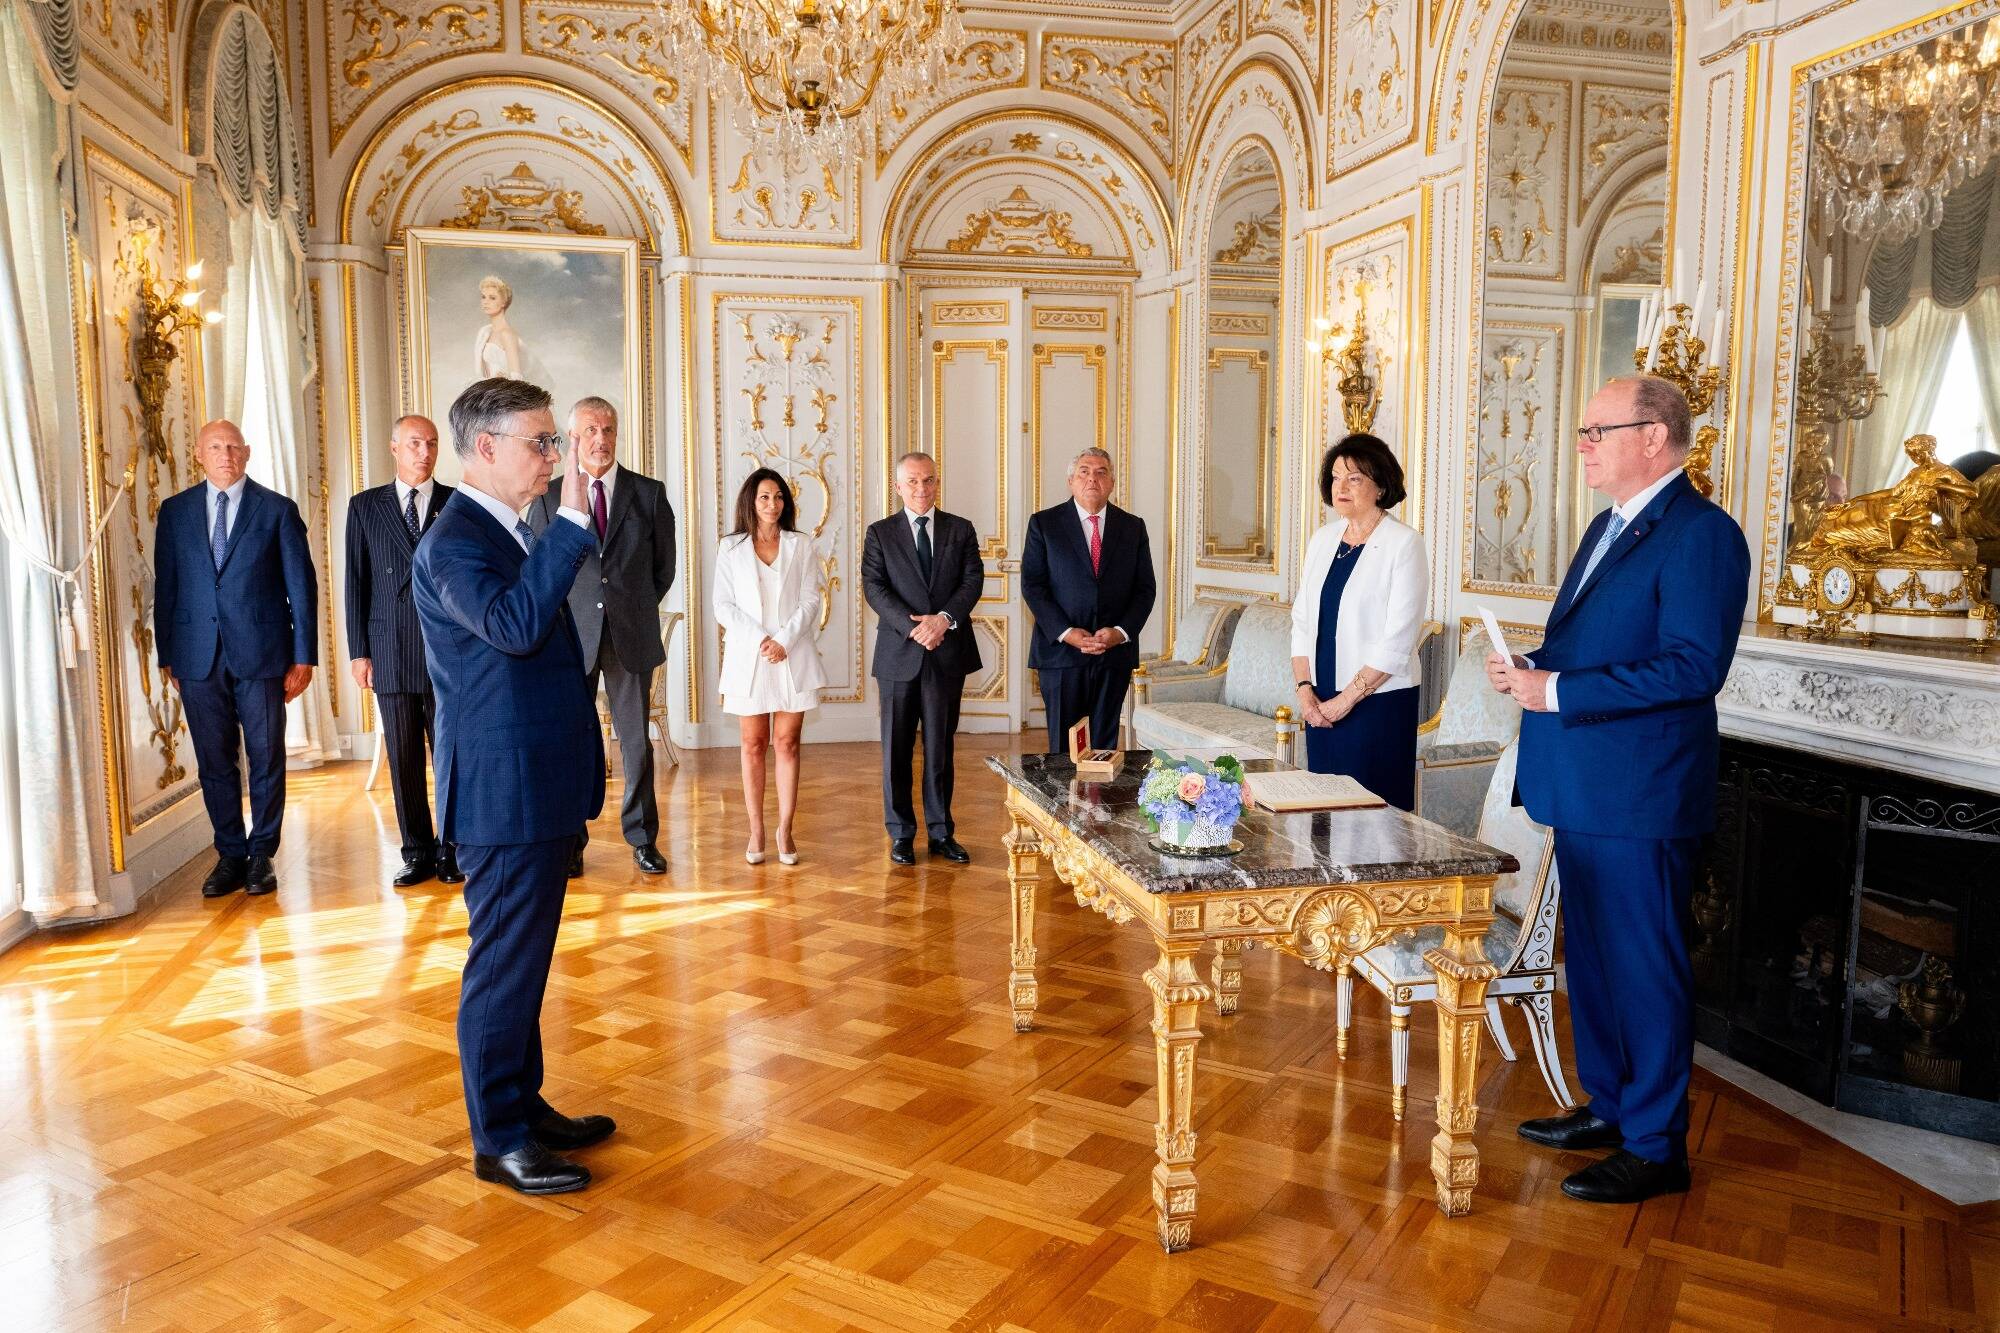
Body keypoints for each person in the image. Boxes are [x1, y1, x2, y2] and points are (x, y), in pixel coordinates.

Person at [1490, 374, 1749, 1206]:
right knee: (1594, 963)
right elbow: (1602, 644)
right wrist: (1539, 667)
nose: (1582, 444)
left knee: (1645, 967)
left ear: (1655, 436)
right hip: (1589, 783)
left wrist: (1558, 693)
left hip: (1642, 791)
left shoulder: (1702, 534)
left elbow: (1691, 666)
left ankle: (1657, 1143)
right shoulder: (1608, 524)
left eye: (1597, 429)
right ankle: (1609, 1103)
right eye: (1584, 428)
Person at [413, 376, 612, 1196]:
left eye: (553, 441)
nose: (554, 457)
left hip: (538, 781)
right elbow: (517, 628)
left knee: (523, 964)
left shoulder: (505, 529)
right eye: (542, 441)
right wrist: (571, 518)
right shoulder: (454, 542)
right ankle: (497, 1137)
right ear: (486, 448)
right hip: (504, 792)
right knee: (501, 967)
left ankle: (524, 1106)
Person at [153, 420, 316, 899]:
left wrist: (303, 655)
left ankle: (262, 852)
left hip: (263, 655)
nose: (225, 454)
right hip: (196, 658)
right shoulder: (176, 511)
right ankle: (230, 852)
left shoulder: (277, 510)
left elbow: (300, 591)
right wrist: (169, 654)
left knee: (266, 756)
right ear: (199, 454)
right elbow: (168, 587)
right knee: (214, 760)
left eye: (233, 447)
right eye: (215, 447)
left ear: (246, 453)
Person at [527, 397, 677, 877]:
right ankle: (571, 841)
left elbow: (663, 570)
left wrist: (628, 607)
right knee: (572, 741)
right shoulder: (549, 498)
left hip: (630, 635)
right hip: (571, 638)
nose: (601, 439)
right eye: (590, 430)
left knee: (637, 743)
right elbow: (541, 567)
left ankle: (642, 838)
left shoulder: (648, 493)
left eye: (608, 429)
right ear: (573, 438)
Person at [344, 413, 460, 888]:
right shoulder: (365, 507)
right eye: (414, 443)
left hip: (446, 651)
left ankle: (452, 850)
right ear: (394, 448)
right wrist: (358, 652)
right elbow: (355, 582)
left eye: (431, 443)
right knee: (404, 757)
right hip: (389, 649)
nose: (424, 452)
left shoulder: (457, 504)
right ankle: (417, 851)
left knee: (451, 756)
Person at [1289, 434, 1428, 810]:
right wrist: (1305, 691)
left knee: (1371, 821)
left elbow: (1398, 638)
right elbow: (1301, 621)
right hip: (1320, 699)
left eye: (1354, 478)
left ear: (1380, 486)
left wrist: (1346, 700)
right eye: (1335, 478)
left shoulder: (1404, 544)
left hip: (1376, 704)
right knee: (1323, 814)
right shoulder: (1322, 539)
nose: (1341, 487)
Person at [861, 452, 985, 866]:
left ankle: (941, 833)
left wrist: (944, 620)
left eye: (928, 480)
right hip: (900, 653)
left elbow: (972, 581)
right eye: (912, 481)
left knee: (940, 748)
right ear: (898, 487)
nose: (921, 488)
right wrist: (916, 627)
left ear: (937, 483)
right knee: (895, 749)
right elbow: (875, 588)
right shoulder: (880, 533)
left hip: (947, 653)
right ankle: (900, 834)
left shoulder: (960, 529)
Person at [713, 469, 826, 865]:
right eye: (764, 497)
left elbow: (811, 601)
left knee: (788, 743)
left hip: (792, 653)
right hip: (750, 655)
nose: (772, 504)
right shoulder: (730, 548)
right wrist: (762, 640)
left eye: (778, 497)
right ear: (751, 500)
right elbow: (722, 605)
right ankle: (756, 828)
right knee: (753, 744)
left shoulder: (802, 544)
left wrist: (784, 640)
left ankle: (785, 829)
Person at [1022, 447, 1156, 754]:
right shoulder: (1044, 524)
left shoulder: (1133, 527)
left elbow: (1144, 589)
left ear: (1111, 483)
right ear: (1071, 481)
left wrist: (1120, 633)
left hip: (1114, 656)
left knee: (1104, 746)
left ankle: (1098, 803)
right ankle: (1061, 802)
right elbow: (1033, 585)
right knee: (1063, 747)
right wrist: (1067, 633)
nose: (1092, 479)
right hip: (1060, 656)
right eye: (1084, 471)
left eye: (1100, 472)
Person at [474, 276, 523, 380]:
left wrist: (502, 382)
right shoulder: (485, 332)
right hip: (486, 391)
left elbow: (517, 378)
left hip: (500, 393)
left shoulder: (507, 334)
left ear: (503, 302)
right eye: (483, 297)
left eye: (492, 298)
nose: (485, 302)